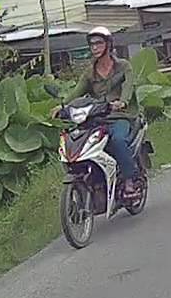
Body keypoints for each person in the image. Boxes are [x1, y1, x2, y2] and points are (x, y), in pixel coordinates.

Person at [60, 27, 139, 197]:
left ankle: (129, 179)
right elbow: (77, 92)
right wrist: (61, 106)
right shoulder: (90, 73)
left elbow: (128, 86)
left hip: (120, 117)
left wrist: (123, 102)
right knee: (79, 142)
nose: (95, 47)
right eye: (92, 44)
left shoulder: (123, 66)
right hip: (97, 118)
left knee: (117, 140)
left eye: (99, 43)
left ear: (108, 44)